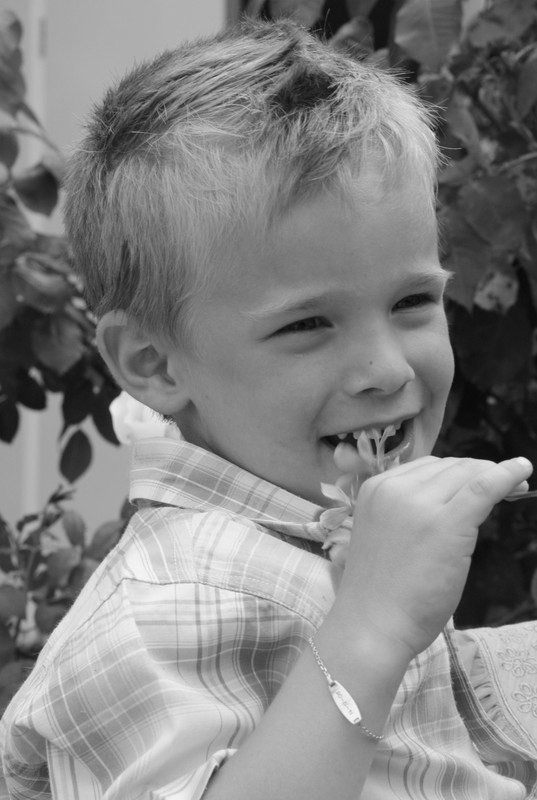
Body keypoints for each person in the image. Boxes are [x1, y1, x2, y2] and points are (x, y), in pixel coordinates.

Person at [2, 18, 537, 800]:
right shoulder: (165, 607)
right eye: (307, 324)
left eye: (413, 300)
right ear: (153, 363)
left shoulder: (315, 538)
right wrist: (371, 629)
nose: (387, 368)